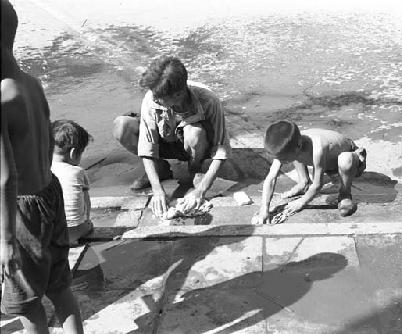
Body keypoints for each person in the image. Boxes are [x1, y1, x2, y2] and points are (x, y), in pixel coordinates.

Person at [0, 1, 84, 333]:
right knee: (60, 287)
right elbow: (47, 143)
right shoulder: (32, 84)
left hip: (20, 213)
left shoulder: (1, 100)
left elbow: (6, 178)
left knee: (27, 305)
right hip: (50, 193)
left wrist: (6, 241)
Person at [113, 55, 231, 218]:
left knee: (194, 133)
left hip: (195, 144)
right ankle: (160, 169)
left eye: (158, 97)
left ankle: (195, 170)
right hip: (166, 140)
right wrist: (157, 190)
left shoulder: (208, 100)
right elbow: (147, 145)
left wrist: (202, 189)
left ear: (178, 94)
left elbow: (221, 150)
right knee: (122, 125)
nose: (153, 98)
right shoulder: (151, 98)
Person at [252, 121, 366, 224]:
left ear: (299, 146)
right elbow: (270, 179)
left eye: (283, 159)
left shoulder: (318, 147)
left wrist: (301, 202)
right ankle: (304, 182)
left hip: (349, 158)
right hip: (321, 159)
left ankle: (345, 193)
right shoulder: (292, 142)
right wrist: (264, 209)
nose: (282, 163)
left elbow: (317, 185)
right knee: (294, 155)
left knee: (345, 159)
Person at [51, 120, 94, 246]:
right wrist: (86, 221)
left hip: (51, 233)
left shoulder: (43, 170)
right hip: (73, 231)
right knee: (88, 225)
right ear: (73, 153)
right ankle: (75, 236)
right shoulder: (78, 172)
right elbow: (86, 202)